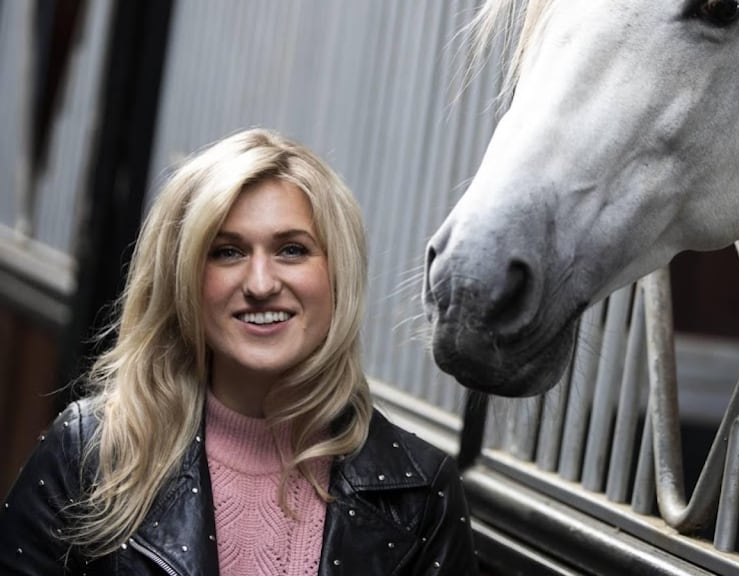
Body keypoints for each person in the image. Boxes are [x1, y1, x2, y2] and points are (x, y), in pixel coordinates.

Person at [0, 128, 479, 575]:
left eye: (292, 250)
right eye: (227, 252)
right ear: (183, 278)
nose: (261, 284)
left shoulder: (420, 495)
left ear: (338, 275)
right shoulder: (90, 453)